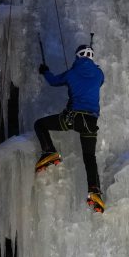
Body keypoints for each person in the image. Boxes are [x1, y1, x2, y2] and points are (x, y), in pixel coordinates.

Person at [34, 43, 106, 212]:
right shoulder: (99, 73)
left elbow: (53, 81)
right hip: (91, 122)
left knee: (40, 124)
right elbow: (99, 82)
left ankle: (49, 151)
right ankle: (95, 191)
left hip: (73, 118)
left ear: (78, 57)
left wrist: (45, 71)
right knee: (90, 157)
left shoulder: (72, 73)